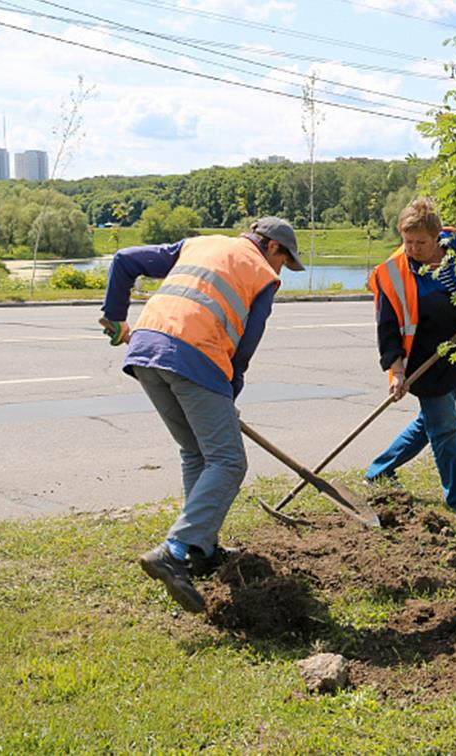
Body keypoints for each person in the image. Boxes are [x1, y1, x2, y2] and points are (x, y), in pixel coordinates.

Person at [100, 217, 303, 613]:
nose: (282, 270)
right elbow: (246, 344)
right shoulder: (262, 273)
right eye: (285, 261)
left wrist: (115, 315)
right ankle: (175, 551)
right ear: (273, 247)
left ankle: (201, 550)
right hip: (195, 355)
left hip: (145, 350)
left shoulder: (199, 243)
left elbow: (125, 259)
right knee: (228, 461)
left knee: (196, 452)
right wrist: (229, 391)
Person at [366, 198, 456, 530]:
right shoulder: (391, 274)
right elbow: (388, 329)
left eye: (421, 242)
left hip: (453, 353)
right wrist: (397, 372)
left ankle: (378, 472)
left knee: (429, 424)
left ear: (438, 237)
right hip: (420, 361)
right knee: (446, 429)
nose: (413, 249)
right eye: (407, 242)